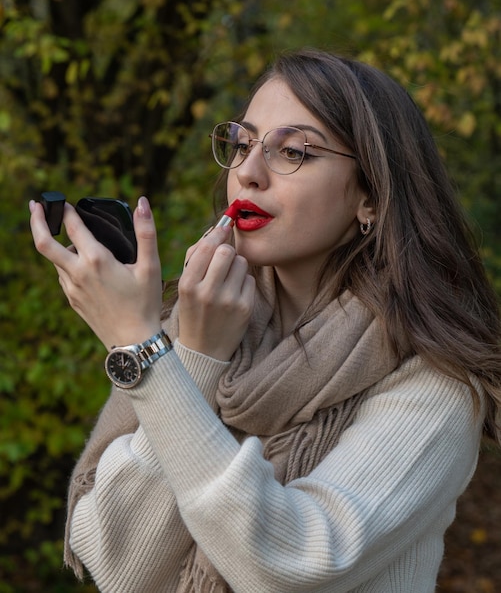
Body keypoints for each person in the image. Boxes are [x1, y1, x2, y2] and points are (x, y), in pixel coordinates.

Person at [29, 48, 501, 593]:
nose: (248, 174)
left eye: (293, 152)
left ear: (370, 196)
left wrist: (146, 350)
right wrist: (194, 359)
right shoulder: (207, 318)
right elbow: (120, 567)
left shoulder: (436, 382)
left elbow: (287, 564)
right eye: (242, 144)